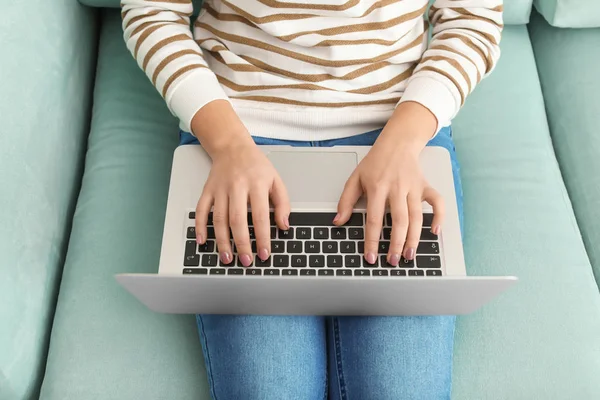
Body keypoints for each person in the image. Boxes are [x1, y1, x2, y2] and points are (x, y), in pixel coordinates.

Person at [120, 0, 502, 398]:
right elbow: (151, 11)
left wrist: (403, 142)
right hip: (236, 131)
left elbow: (472, 17)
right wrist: (228, 145)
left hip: (399, 129)